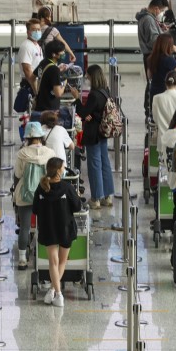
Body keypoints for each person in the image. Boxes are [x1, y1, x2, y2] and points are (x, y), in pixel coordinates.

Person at [33, 157, 82, 307]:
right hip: (65, 228)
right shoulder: (67, 188)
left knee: (52, 262)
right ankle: (56, 293)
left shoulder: (41, 188)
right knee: (62, 261)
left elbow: (35, 209)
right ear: (59, 170)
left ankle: (54, 292)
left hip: (48, 229)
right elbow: (77, 207)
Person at [13, 121, 55, 268]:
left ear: (27, 137)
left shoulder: (22, 153)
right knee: (44, 225)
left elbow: (18, 174)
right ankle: (43, 256)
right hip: (45, 194)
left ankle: (22, 259)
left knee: (24, 227)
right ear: (41, 136)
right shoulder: (49, 153)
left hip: (25, 194)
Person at [75, 65, 113, 209]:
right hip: (103, 132)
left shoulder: (93, 95)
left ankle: (96, 198)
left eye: (87, 76)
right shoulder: (106, 91)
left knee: (94, 165)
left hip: (93, 134)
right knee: (105, 163)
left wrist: (76, 99)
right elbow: (96, 112)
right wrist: (92, 115)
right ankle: (108, 196)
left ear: (92, 76)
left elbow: (84, 113)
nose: (87, 78)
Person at [33, 40, 68, 112]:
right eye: (62, 52)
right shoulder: (54, 69)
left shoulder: (43, 62)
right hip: (50, 108)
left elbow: (33, 76)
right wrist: (64, 84)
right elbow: (58, 93)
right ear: (54, 54)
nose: (64, 53)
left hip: (40, 104)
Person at [136, 0, 170, 67]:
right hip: (154, 57)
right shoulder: (149, 19)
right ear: (156, 9)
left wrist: (160, 29)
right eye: (162, 10)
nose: (162, 13)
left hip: (149, 56)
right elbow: (154, 40)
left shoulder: (144, 17)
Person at [147, 33, 176, 98]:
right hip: (166, 92)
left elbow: (149, 76)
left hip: (154, 91)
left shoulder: (151, 58)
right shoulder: (169, 59)